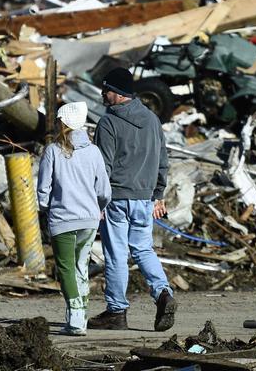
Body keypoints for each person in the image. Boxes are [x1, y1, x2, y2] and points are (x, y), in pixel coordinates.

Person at [89, 67, 177, 332]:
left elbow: (102, 166)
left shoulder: (109, 122)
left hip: (116, 197)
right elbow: (163, 161)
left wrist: (98, 200)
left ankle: (116, 312)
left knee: (116, 255)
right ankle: (162, 293)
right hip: (143, 199)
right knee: (143, 249)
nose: (103, 94)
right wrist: (157, 195)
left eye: (106, 89)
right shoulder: (152, 119)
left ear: (118, 93)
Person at [36, 100, 111, 336]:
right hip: (89, 219)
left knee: (66, 269)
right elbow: (104, 191)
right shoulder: (94, 152)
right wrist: (98, 207)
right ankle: (80, 316)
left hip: (62, 220)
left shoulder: (52, 151)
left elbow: (43, 191)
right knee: (81, 267)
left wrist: (47, 208)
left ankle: (77, 317)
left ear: (63, 123)